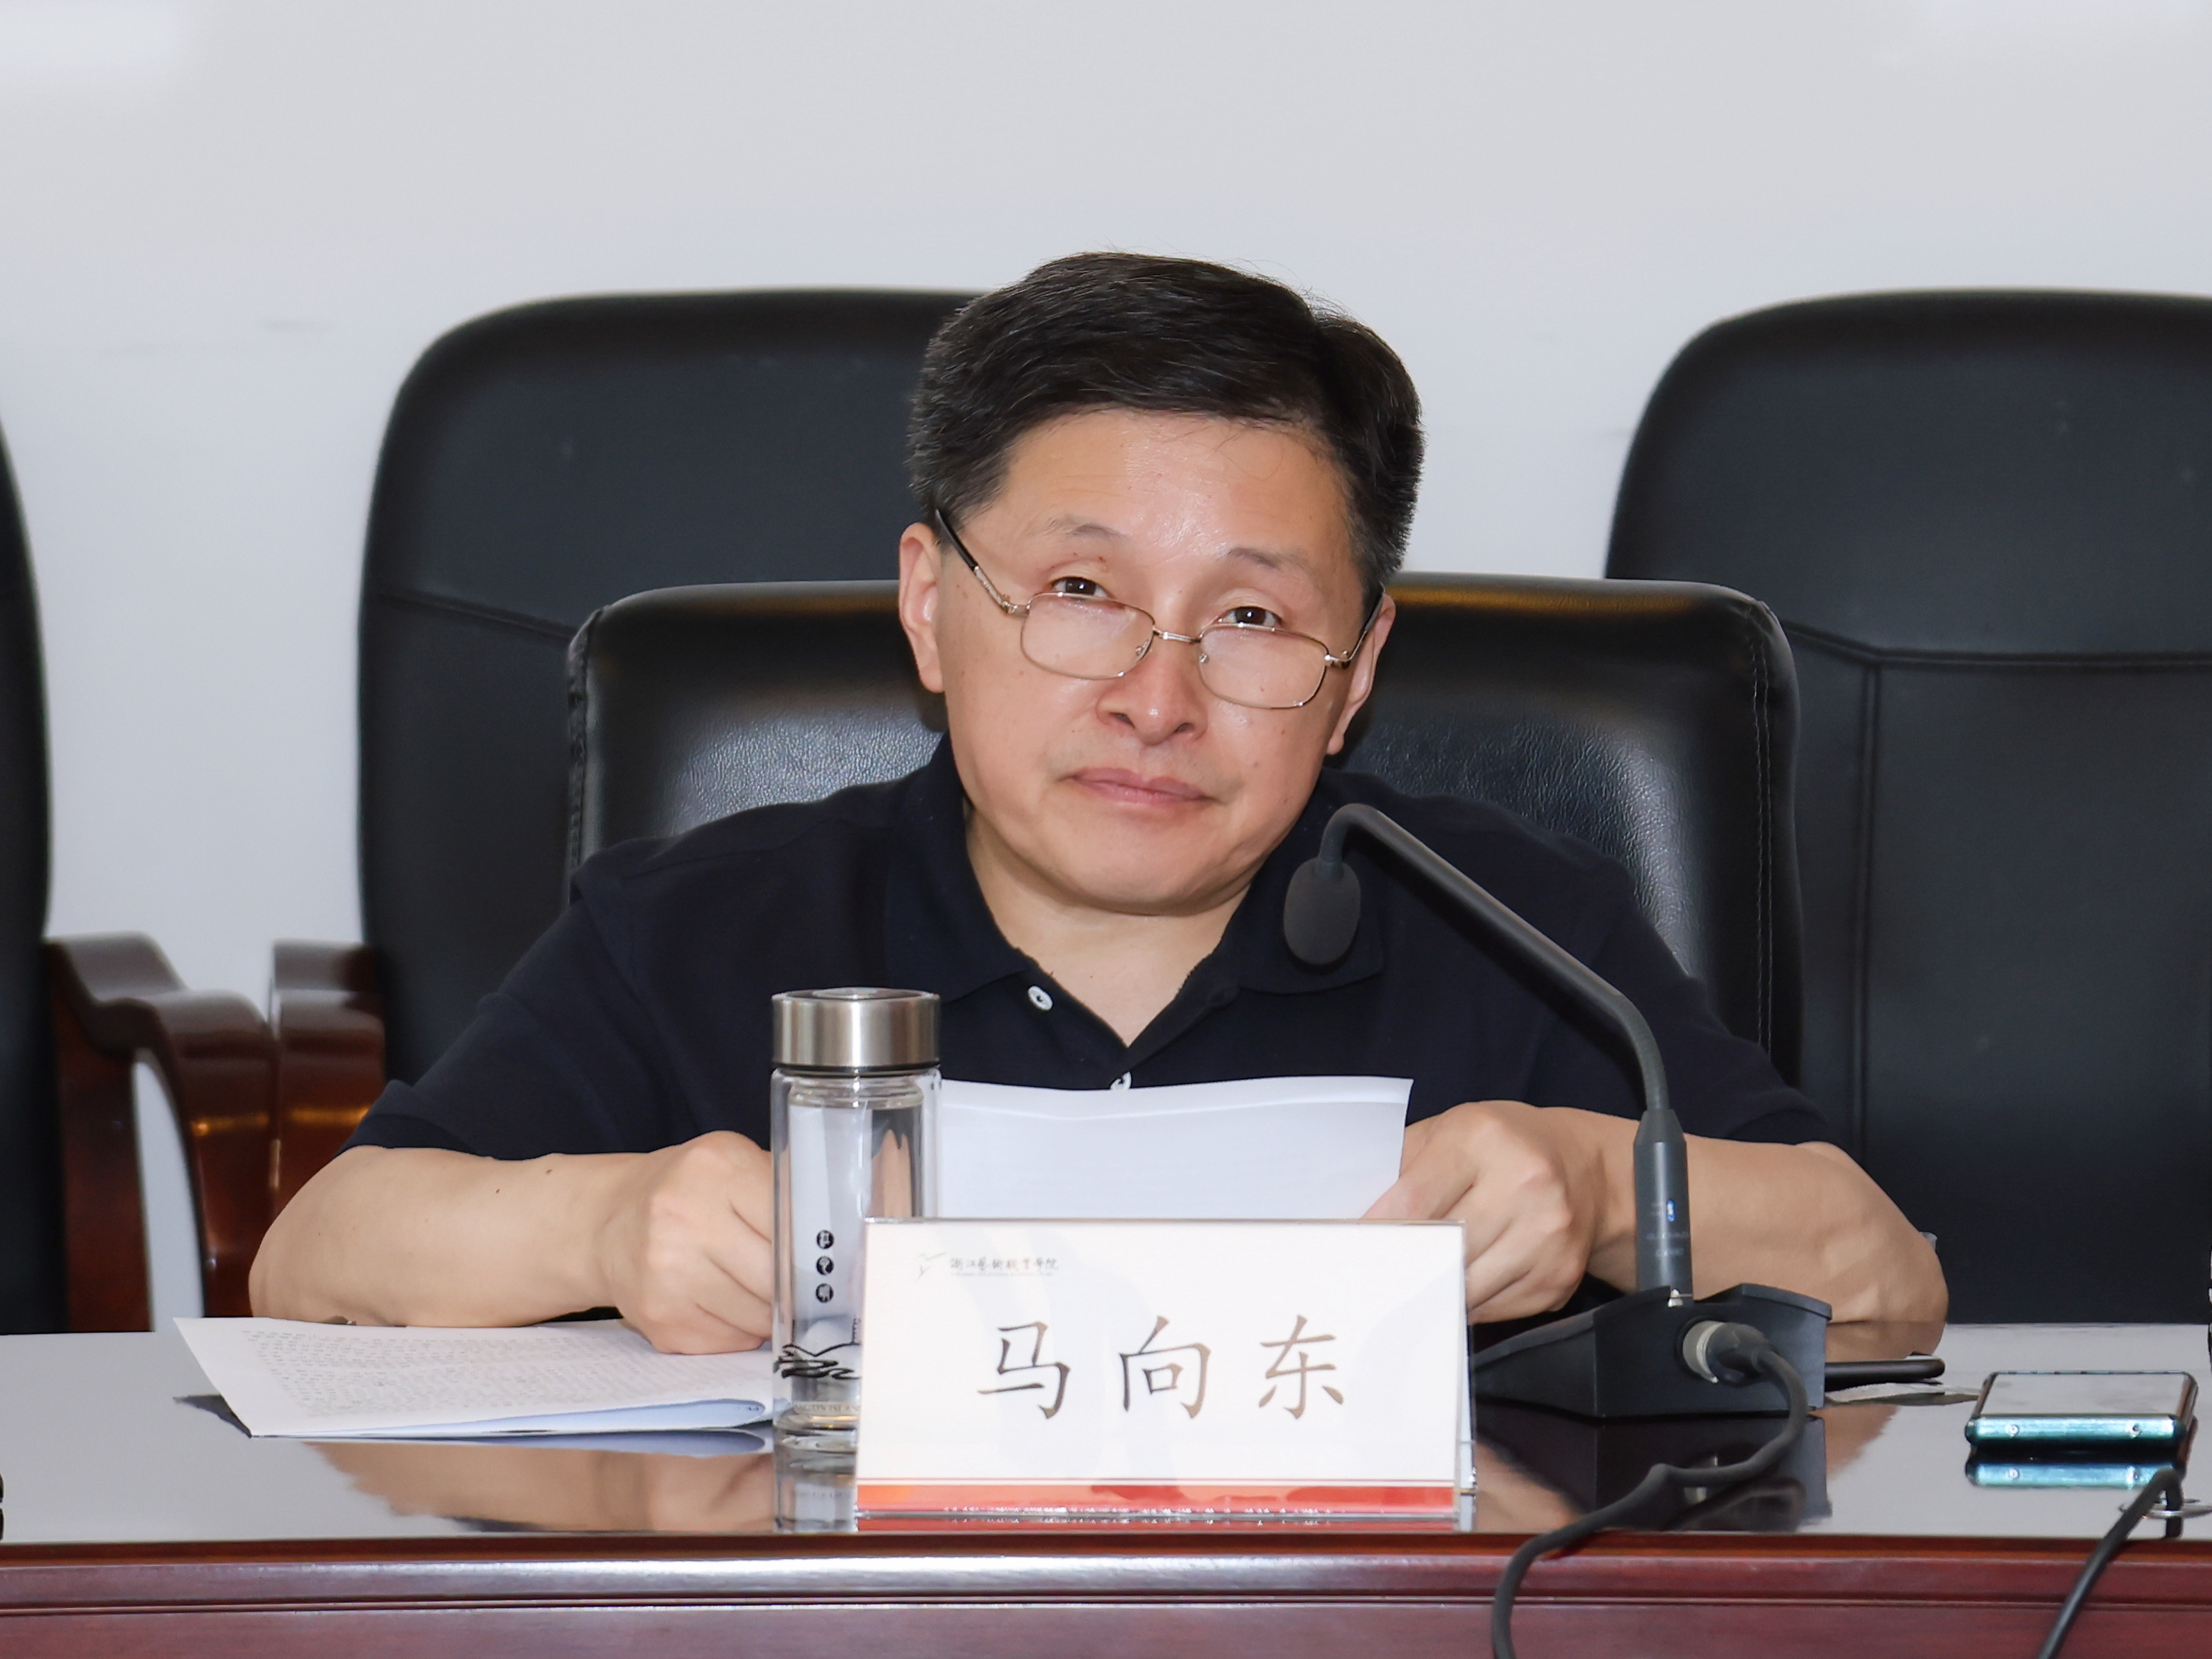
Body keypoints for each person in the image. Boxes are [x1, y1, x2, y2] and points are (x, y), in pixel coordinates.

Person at [252, 253, 1946, 1351]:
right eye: (1079, 593)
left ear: (1357, 669)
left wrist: (1596, 1185)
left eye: (1254, 617)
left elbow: (1888, 1278)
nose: (1157, 695)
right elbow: (313, 1261)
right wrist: (606, 1222)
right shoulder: (708, 924)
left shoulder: (1510, 930)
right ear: (932, 605)